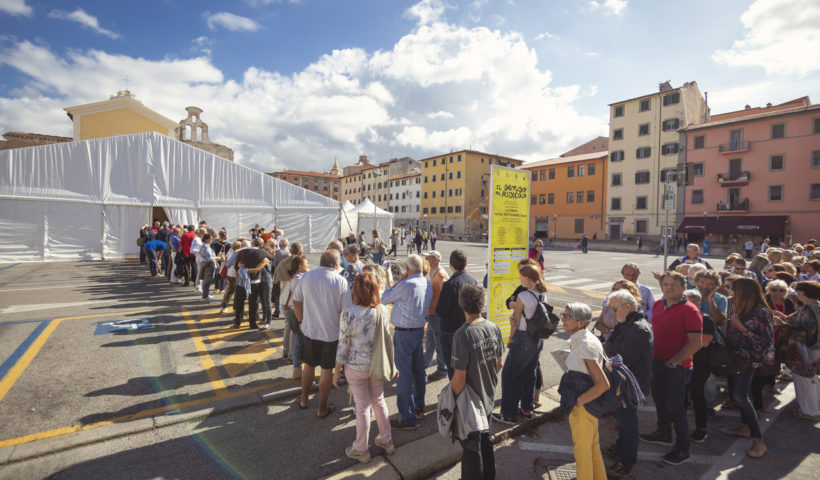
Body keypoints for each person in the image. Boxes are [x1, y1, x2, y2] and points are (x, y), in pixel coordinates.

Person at [640, 271, 702, 466]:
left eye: (674, 284)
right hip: (657, 363)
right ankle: (663, 433)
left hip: (676, 366)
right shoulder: (659, 304)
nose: (669, 287)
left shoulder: (690, 310)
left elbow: (696, 343)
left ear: (684, 287)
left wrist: (675, 361)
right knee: (659, 401)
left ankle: (683, 448)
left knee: (676, 409)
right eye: (665, 284)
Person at [333, 273, 395, 463]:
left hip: (355, 366)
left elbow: (343, 344)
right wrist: (393, 363)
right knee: (379, 400)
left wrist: (337, 370)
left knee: (362, 408)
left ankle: (361, 449)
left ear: (356, 291)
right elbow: (387, 338)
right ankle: (387, 441)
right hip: (377, 364)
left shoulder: (349, 312)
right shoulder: (381, 310)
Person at [450, 284, 504, 479]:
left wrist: (453, 400)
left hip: (470, 402)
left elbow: (459, 378)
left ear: (460, 304)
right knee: (486, 440)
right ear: (483, 303)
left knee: (471, 448)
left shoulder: (462, 335)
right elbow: (499, 364)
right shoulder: (493, 327)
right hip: (488, 395)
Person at [293, 250, 352, 418]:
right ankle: (322, 408)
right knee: (326, 371)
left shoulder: (307, 276)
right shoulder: (340, 281)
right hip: (331, 334)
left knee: (308, 366)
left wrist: (301, 320)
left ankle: (304, 399)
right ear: (335, 264)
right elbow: (347, 311)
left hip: (310, 331)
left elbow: (296, 300)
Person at [720, 278, 774, 458]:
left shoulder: (761, 313)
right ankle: (744, 427)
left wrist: (743, 329)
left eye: (732, 288)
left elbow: (765, 342)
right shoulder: (741, 308)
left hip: (750, 360)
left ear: (743, 291)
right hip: (738, 359)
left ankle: (759, 440)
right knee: (744, 394)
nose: (730, 291)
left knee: (740, 395)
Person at [603, 290, 653, 479]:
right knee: (622, 421)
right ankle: (621, 449)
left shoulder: (638, 329)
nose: (612, 313)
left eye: (614, 309)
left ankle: (626, 461)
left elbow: (624, 359)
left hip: (628, 385)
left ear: (627, 307)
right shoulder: (627, 324)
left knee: (628, 422)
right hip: (620, 382)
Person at [558, 302, 609, 480]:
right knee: (592, 448)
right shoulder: (583, 339)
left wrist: (580, 402)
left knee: (582, 453)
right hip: (587, 405)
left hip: (583, 406)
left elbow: (603, 383)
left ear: (580, 322)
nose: (562, 319)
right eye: (563, 315)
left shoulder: (585, 345)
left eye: (567, 316)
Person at [381, 254, 432, 430]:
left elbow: (384, 298)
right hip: (418, 331)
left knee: (404, 376)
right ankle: (419, 407)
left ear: (408, 269)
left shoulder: (406, 284)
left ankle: (407, 417)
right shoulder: (426, 282)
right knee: (418, 372)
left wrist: (398, 281)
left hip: (404, 334)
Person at [494, 265, 547, 425]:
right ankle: (526, 408)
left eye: (521, 276)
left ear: (528, 278)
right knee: (530, 373)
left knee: (509, 374)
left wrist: (510, 338)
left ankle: (508, 415)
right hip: (537, 339)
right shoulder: (542, 293)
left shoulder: (523, 295)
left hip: (523, 339)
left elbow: (515, 321)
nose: (519, 279)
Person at [772, 281, 820, 420]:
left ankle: (809, 410)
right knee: (812, 379)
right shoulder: (815, 306)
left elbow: (803, 330)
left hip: (805, 349)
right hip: (814, 349)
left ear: (804, 292)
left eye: (799, 291)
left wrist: (783, 324)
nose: (797, 293)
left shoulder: (809, 309)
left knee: (805, 378)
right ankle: (815, 407)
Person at [436, 250, 477, 379]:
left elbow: (441, 310)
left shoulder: (450, 285)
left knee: (453, 368)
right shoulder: (472, 280)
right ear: (465, 264)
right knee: (467, 366)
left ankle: (456, 396)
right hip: (468, 327)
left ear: (451, 265)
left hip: (451, 331)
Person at [423, 250, 450, 382]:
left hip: (437, 314)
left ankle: (442, 370)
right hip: (432, 312)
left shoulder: (440, 274)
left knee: (439, 343)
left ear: (434, 260)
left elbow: (446, 295)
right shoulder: (433, 272)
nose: (425, 259)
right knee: (430, 339)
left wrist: (440, 311)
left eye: (427, 257)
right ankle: (426, 362)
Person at [284, 255, 309, 379]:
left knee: (299, 340)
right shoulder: (300, 279)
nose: (308, 265)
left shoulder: (296, 277)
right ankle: (299, 368)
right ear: (300, 265)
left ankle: (297, 367)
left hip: (295, 311)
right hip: (300, 313)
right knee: (301, 342)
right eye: (306, 263)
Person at [199, 234, 219, 301]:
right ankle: (205, 296)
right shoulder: (206, 247)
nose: (212, 240)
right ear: (207, 240)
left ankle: (205, 295)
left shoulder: (204, 245)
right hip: (209, 264)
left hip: (206, 263)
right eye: (211, 239)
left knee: (206, 280)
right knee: (207, 280)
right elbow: (210, 258)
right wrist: (219, 258)